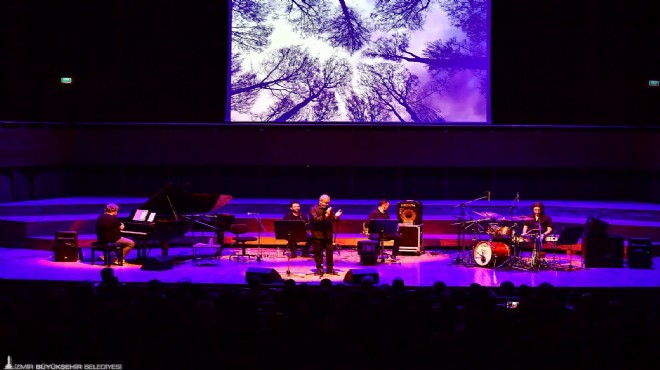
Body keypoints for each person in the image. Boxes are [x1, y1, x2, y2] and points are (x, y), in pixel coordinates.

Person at [309, 194, 342, 275]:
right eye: (326, 202)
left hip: (328, 235)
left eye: (328, 202)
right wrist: (325, 215)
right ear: (320, 201)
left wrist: (336, 217)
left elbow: (332, 219)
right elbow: (316, 220)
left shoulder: (329, 209)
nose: (327, 204)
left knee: (330, 252)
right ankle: (319, 268)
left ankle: (330, 269)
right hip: (317, 234)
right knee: (318, 253)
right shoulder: (313, 209)